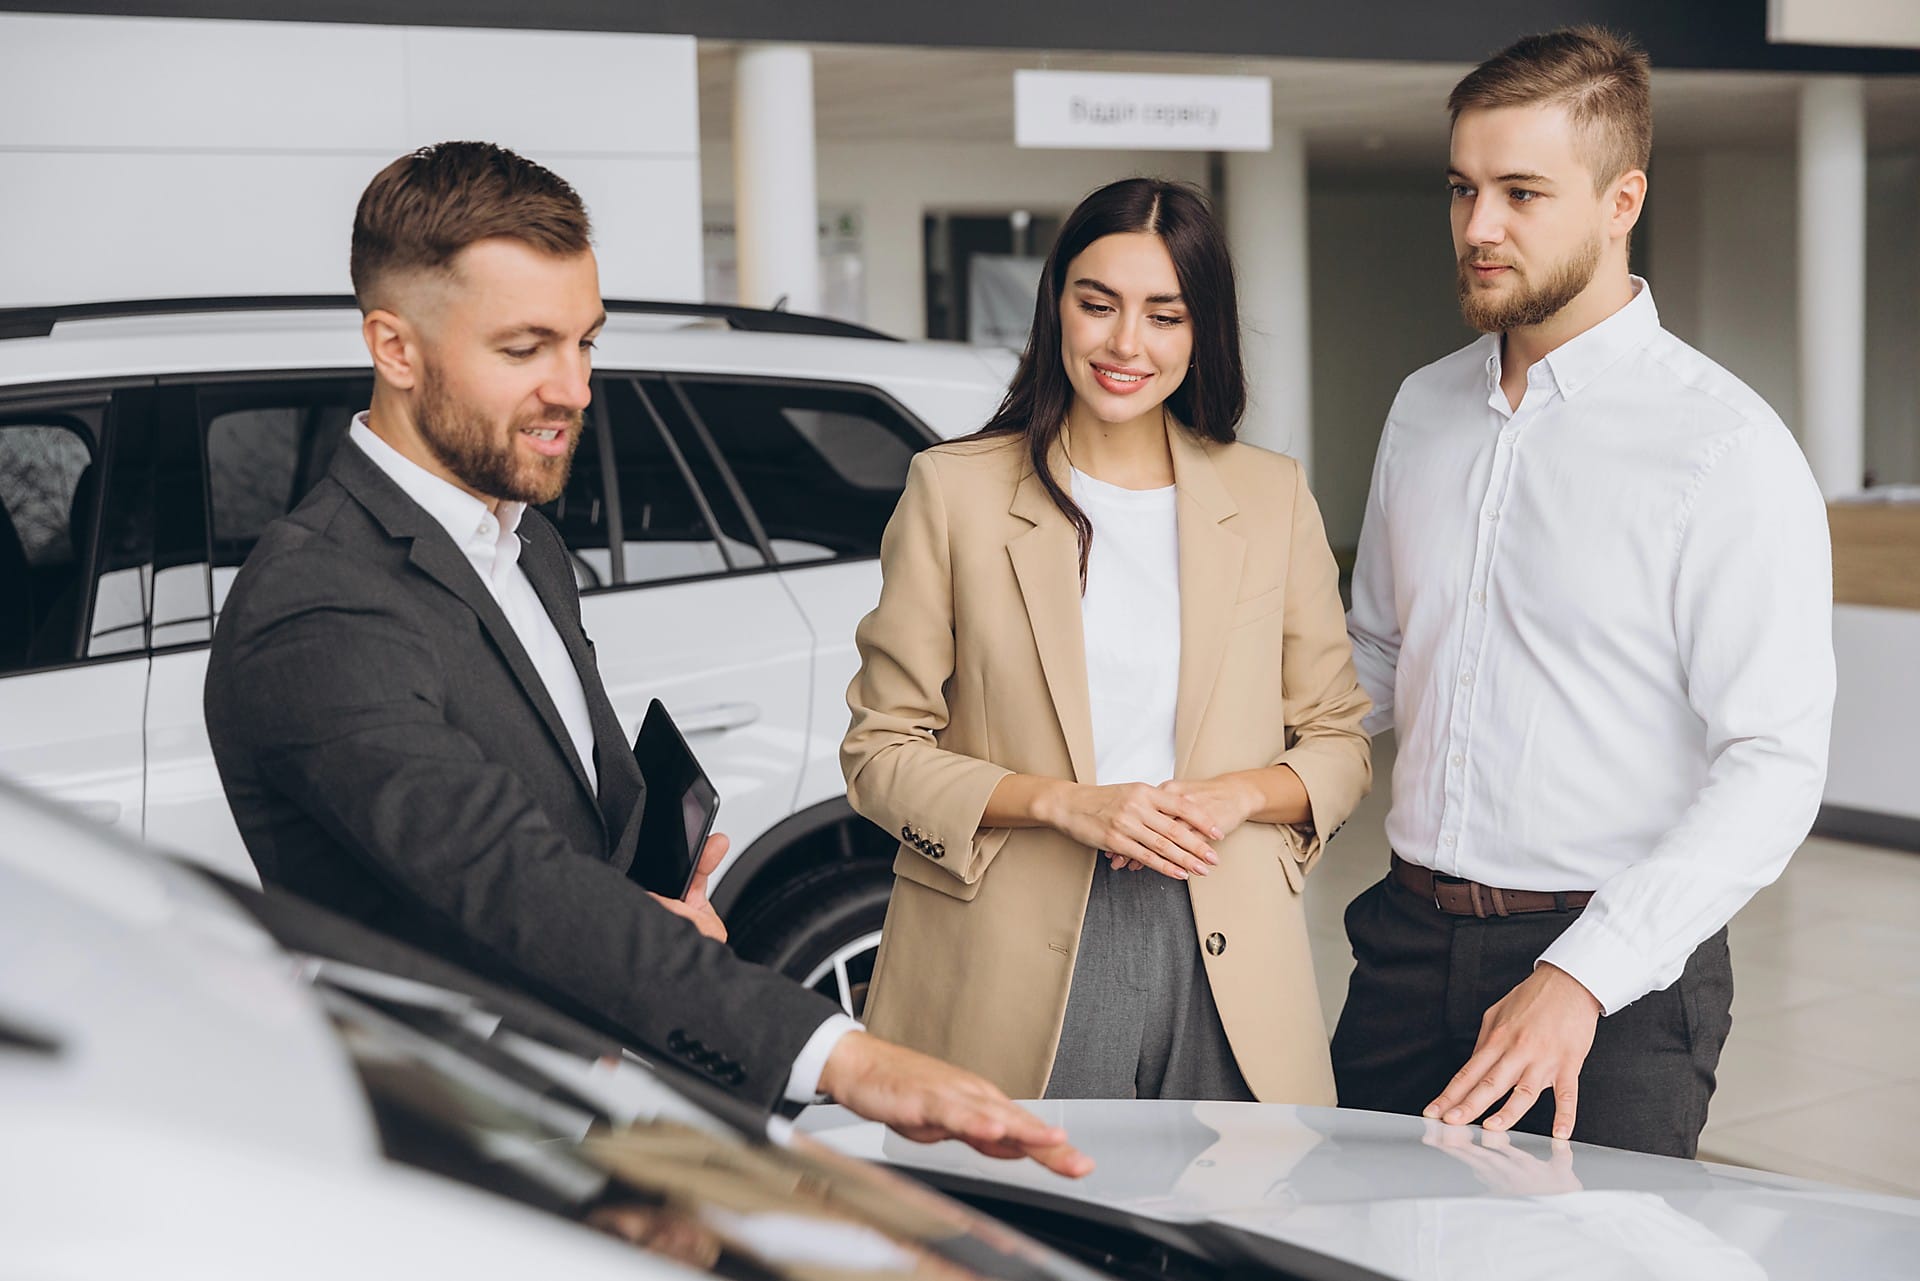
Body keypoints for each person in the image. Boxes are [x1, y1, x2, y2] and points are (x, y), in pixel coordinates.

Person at [204, 141, 1089, 1177]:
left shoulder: (524, 541)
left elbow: (564, 822)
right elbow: (504, 878)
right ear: (394, 347)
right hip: (445, 1155)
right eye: (525, 349)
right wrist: (843, 1058)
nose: (575, 388)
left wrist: (652, 894)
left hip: (581, 1119)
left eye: (585, 341)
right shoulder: (318, 599)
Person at [1335, 28, 1834, 1157]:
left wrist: (1583, 975)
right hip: (1403, 946)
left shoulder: (1725, 447)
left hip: (1614, 981)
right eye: (1462, 189)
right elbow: (1378, 653)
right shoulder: (1422, 408)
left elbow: (1773, 762)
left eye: (1520, 193)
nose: (1478, 227)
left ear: (1623, 201)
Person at [842, 178, 1373, 1103]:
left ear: (1201, 331)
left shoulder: (1272, 496)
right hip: (1014, 949)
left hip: (1228, 943)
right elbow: (879, 752)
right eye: (1099, 305)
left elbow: (1338, 742)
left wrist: (1238, 796)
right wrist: (1064, 804)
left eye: (1165, 316)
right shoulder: (954, 491)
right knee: (1026, 1200)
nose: (1127, 343)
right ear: (1057, 307)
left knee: (1246, 1198)